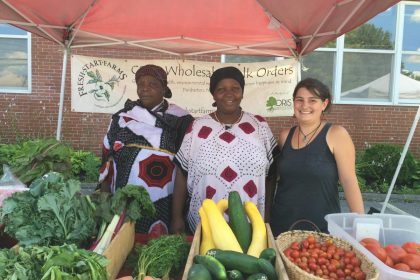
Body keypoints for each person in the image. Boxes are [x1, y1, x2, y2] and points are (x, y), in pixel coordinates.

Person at [171, 66, 280, 234]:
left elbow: (271, 174)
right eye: (221, 89)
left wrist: (268, 215)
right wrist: (176, 217)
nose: (229, 94)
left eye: (235, 89)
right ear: (213, 94)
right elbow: (182, 173)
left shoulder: (259, 125)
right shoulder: (197, 127)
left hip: (252, 221)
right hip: (206, 221)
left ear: (242, 92)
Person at [98, 64, 194, 235]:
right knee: (123, 242)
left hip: (164, 200)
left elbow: (186, 165)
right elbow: (107, 158)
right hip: (124, 197)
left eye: (152, 84)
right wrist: (104, 199)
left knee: (158, 246)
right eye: (140, 84)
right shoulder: (122, 117)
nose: (144, 89)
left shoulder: (182, 121)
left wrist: (178, 216)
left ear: (164, 88)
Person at [270, 78, 365, 236]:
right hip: (282, 226)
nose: (305, 106)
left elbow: (349, 181)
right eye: (299, 100)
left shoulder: (336, 134)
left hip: (321, 227)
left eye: (312, 100)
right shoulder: (285, 136)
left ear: (324, 104)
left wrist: (362, 226)